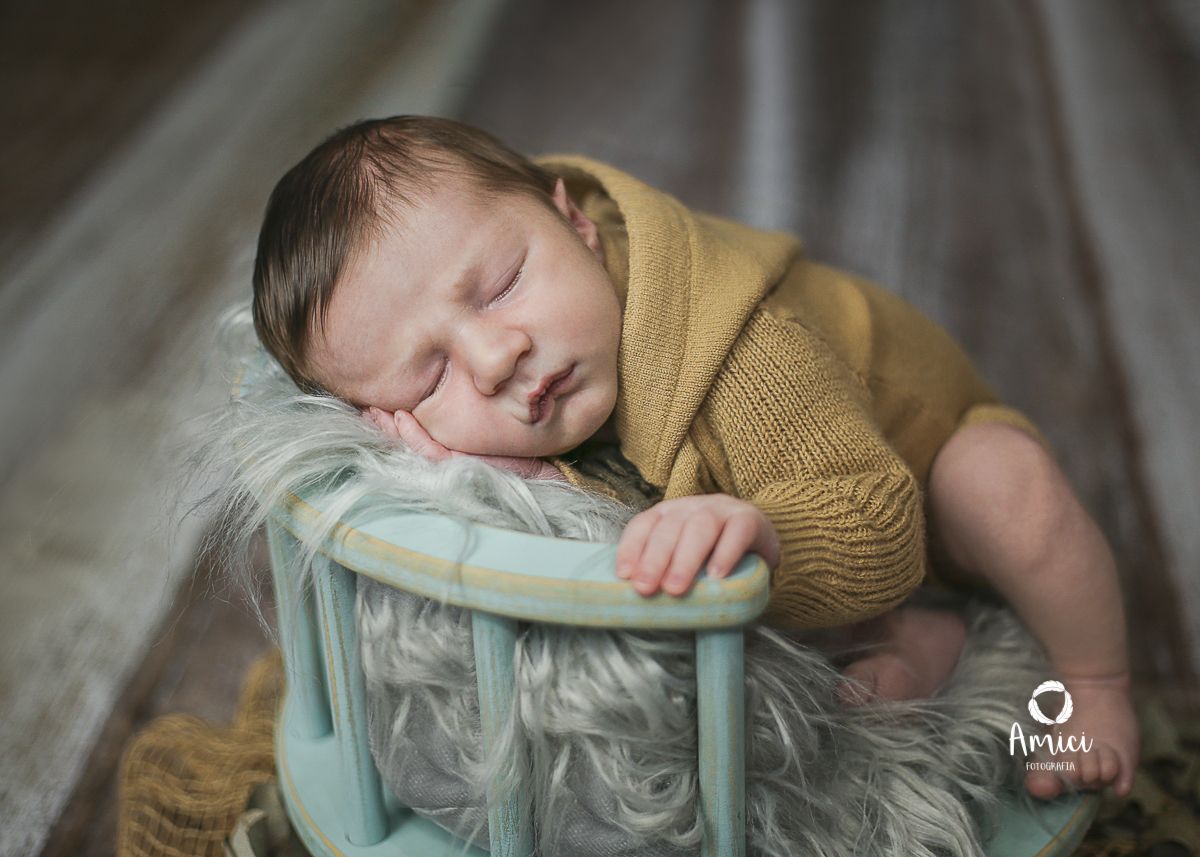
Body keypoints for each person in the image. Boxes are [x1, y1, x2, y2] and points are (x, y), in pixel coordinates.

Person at [251, 115, 1138, 800]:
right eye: (430, 373)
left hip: (917, 483)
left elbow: (880, 522)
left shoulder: (735, 345)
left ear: (575, 222)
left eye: (501, 285)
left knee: (1006, 487)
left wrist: (766, 530)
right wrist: (495, 478)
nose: (495, 357)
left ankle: (1097, 679)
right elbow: (600, 507)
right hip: (801, 515)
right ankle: (920, 633)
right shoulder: (555, 375)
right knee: (730, 627)